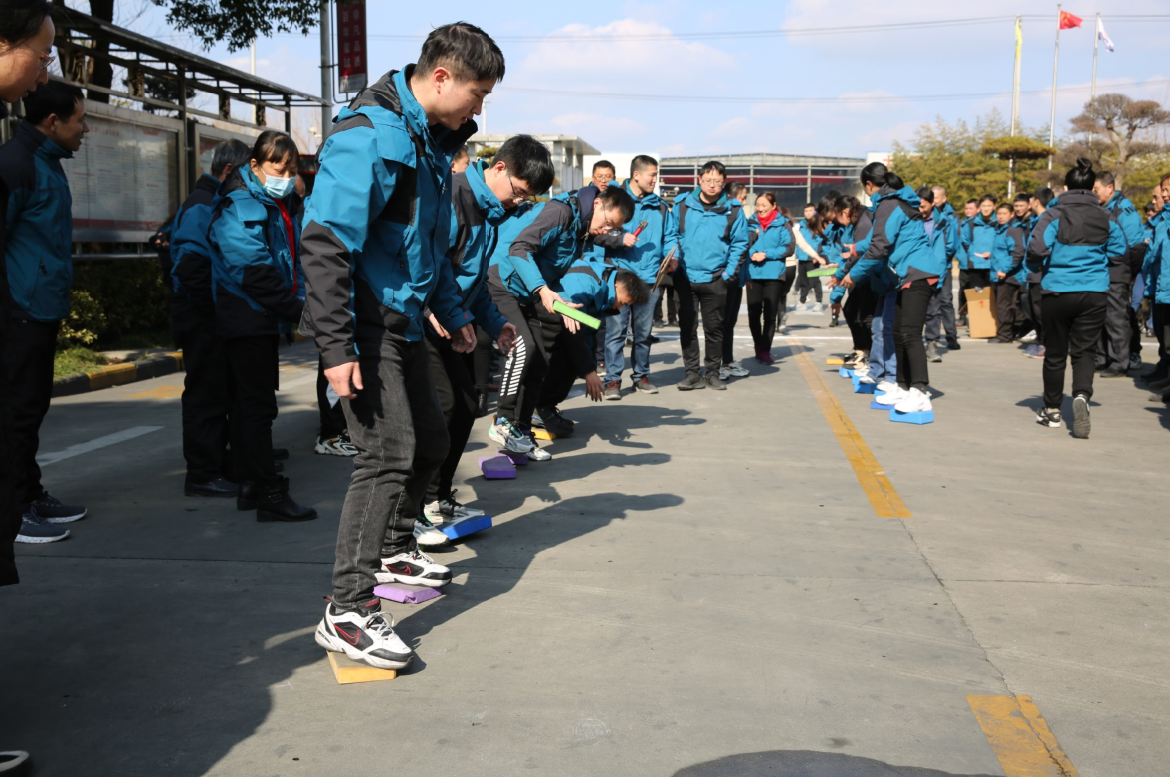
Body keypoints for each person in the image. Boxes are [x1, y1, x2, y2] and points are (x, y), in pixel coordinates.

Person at [301, 24, 499, 670]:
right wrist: (336, 347)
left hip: (407, 318)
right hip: (367, 322)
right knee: (386, 455)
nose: (479, 108)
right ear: (441, 77)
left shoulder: (429, 145)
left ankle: (390, 548)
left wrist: (454, 313)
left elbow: (428, 248)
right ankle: (348, 608)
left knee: (432, 442)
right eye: (477, 94)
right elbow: (325, 243)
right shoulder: (371, 135)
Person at [422, 134, 552, 525]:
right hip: (423, 320)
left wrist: (496, 324)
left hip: (450, 320)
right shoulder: (453, 197)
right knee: (442, 409)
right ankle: (414, 509)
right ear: (499, 168)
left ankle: (438, 497)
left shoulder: (488, 212)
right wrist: (435, 309)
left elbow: (474, 281)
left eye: (526, 198)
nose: (517, 202)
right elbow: (426, 263)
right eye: (519, 192)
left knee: (465, 406)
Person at [208, 131, 316, 523]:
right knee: (256, 408)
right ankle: (269, 492)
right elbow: (254, 272)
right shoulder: (239, 205)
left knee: (250, 407)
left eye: (291, 169)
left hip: (262, 317)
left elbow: (291, 263)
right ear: (254, 165)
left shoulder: (276, 204)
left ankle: (252, 486)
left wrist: (299, 302)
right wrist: (301, 311)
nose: (285, 177)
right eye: (278, 168)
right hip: (247, 316)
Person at [488, 182, 634, 456]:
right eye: (608, 223)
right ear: (598, 204)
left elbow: (554, 270)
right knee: (524, 347)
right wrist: (543, 290)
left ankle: (521, 432)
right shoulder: (561, 212)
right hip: (502, 281)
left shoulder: (581, 230)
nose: (607, 231)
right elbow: (519, 249)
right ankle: (503, 421)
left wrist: (561, 300)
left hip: (528, 291)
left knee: (539, 362)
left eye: (614, 229)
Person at [2, 80, 88, 545]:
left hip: (41, 307)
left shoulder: (48, 163)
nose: (85, 129)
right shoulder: (15, 164)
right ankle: (14, 511)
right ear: (53, 122)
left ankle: (29, 494)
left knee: (31, 408)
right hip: (19, 310)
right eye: (80, 119)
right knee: (15, 411)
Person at [169, 139, 252, 497]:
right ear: (229, 171)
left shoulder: (214, 201)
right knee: (206, 394)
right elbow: (191, 266)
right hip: (203, 317)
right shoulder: (202, 205)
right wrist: (216, 311)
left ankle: (220, 462)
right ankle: (203, 473)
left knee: (222, 393)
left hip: (214, 314)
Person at [1028, 159, 1127, 439]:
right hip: (1094, 292)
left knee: (1055, 353)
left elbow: (1036, 249)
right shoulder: (1106, 216)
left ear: (1065, 187)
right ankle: (1082, 396)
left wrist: (1038, 266)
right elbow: (1120, 252)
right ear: (1093, 188)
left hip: (1058, 290)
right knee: (1085, 351)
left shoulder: (1053, 215)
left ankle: (1052, 410)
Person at [836, 163, 940, 413]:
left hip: (918, 273)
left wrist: (853, 275)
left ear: (869, 184)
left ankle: (919, 390)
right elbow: (875, 238)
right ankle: (901, 387)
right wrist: (854, 248)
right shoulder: (891, 204)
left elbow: (878, 248)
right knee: (896, 331)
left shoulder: (889, 204)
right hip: (905, 275)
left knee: (910, 333)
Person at [602, 155, 678, 398]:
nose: (655, 180)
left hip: (650, 278)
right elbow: (599, 231)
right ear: (636, 175)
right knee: (615, 333)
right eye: (652, 175)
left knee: (643, 334)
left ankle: (641, 376)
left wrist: (673, 257)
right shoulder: (614, 199)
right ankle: (613, 380)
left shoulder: (661, 207)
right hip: (619, 278)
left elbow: (671, 236)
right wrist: (618, 239)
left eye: (656, 175)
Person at [672, 161, 749, 391]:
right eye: (708, 180)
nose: (712, 185)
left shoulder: (733, 210)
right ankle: (692, 374)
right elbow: (671, 234)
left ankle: (713, 374)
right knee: (687, 328)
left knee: (714, 330)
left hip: (716, 279)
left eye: (717, 181)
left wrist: (727, 275)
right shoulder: (683, 205)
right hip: (685, 277)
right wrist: (674, 260)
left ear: (724, 183)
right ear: (699, 180)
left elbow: (740, 244)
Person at [539, 260, 652, 410]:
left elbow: (587, 333)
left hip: (560, 324)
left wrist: (589, 366)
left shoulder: (602, 289)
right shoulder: (584, 283)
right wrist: (589, 371)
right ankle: (538, 408)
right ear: (618, 286)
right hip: (542, 318)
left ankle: (545, 407)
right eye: (623, 303)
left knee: (575, 361)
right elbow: (573, 330)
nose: (620, 307)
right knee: (565, 360)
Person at [1092, 171, 1146, 377]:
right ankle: (1102, 357)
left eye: (1096, 189)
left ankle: (1119, 362)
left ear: (1110, 188)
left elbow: (1136, 247)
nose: (1094, 193)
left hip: (1117, 271)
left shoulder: (1124, 210)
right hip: (1102, 271)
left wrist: (1127, 273)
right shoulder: (1103, 208)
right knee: (1100, 317)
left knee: (1116, 318)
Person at [744, 192, 794, 363]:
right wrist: (753, 253)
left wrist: (765, 254)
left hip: (774, 275)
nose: (760, 208)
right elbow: (742, 243)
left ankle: (766, 350)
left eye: (764, 205)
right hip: (752, 274)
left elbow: (789, 248)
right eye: (758, 204)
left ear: (773, 206)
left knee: (770, 314)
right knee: (753, 314)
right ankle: (758, 345)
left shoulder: (783, 224)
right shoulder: (749, 223)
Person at [923, 185, 960, 361]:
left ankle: (935, 341)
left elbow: (952, 245)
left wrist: (940, 259)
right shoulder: (913, 220)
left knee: (938, 305)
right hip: (917, 270)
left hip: (939, 269)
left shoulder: (946, 220)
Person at [720, 181, 751, 380]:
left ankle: (727, 361)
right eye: (743, 197)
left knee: (730, 322)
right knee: (722, 323)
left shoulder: (739, 216)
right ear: (731, 197)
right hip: (727, 277)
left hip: (737, 278)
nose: (744, 202)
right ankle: (720, 363)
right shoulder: (727, 215)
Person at [1022, 187, 1055, 359]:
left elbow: (1041, 249)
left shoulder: (1046, 220)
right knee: (1035, 310)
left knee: (1042, 312)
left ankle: (1047, 345)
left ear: (1036, 201)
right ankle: (1042, 342)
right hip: (1033, 273)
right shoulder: (1038, 220)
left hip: (1040, 273)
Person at [990, 203, 1027, 343]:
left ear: (1012, 215)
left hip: (1009, 275)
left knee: (1004, 305)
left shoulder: (1013, 230)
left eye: (1004, 214)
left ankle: (1005, 335)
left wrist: (1004, 270)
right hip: (1000, 273)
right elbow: (1003, 251)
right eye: (999, 214)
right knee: (1011, 305)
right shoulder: (1000, 229)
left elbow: (1018, 253)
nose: (1000, 216)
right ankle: (1015, 330)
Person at [961, 195, 997, 292]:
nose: (986, 209)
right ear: (979, 207)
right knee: (976, 296)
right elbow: (965, 241)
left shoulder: (999, 224)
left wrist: (992, 254)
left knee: (992, 295)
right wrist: (973, 253)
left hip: (993, 265)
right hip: (975, 265)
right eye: (983, 206)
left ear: (994, 206)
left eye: (989, 206)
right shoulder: (971, 224)